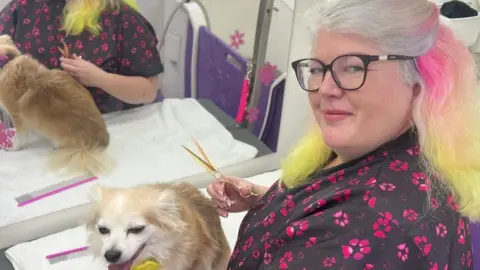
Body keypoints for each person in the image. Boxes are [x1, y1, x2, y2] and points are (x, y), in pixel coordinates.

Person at [208, 0, 480, 269]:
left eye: (353, 67)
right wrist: (268, 201)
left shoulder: (367, 231)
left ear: (418, 82)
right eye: (316, 69)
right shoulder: (393, 145)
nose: (325, 88)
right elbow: (341, 192)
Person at [0, 0, 163, 114]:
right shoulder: (23, 8)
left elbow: (148, 91)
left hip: (103, 125)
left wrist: (99, 78)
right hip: (36, 126)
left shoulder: (122, 18)